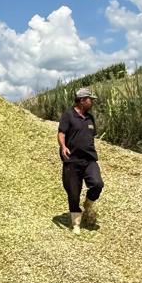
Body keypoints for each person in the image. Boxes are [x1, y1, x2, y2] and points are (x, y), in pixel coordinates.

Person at [57, 88, 104, 234]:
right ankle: (76, 223)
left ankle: (88, 203)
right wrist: (63, 146)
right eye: (90, 99)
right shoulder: (68, 115)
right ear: (82, 100)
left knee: (97, 183)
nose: (92, 102)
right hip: (72, 160)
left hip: (89, 159)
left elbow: (90, 136)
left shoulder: (90, 118)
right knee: (73, 193)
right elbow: (61, 133)